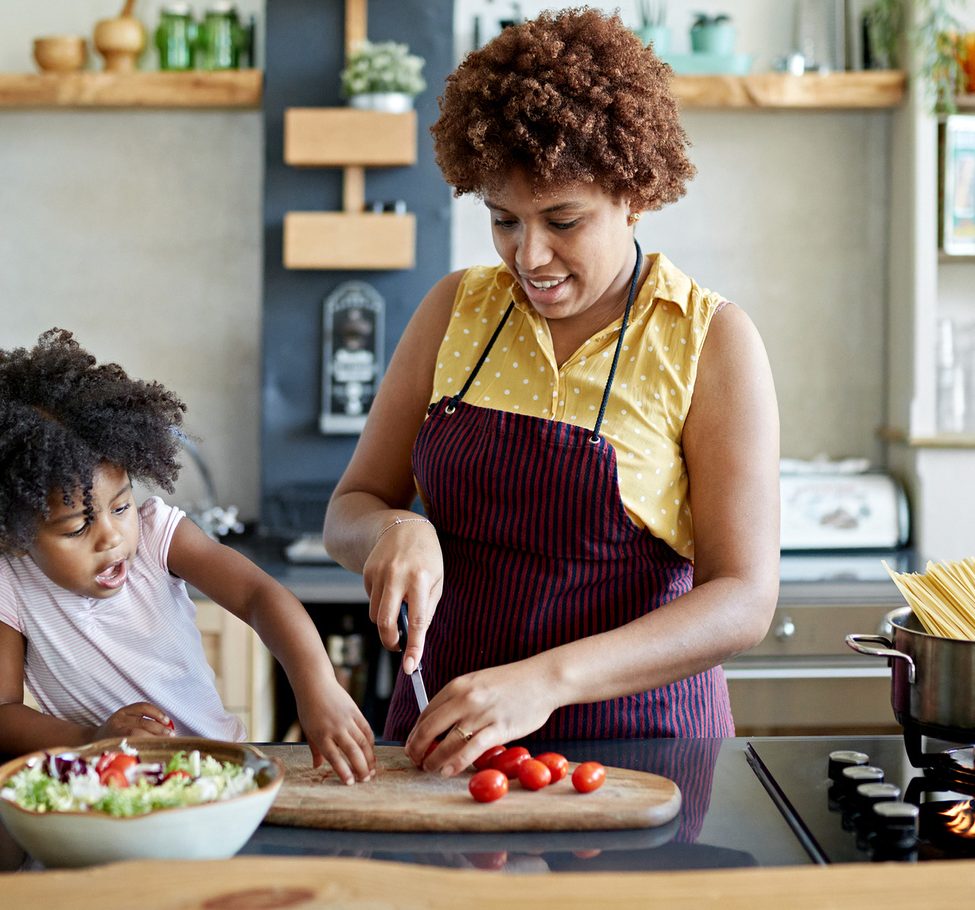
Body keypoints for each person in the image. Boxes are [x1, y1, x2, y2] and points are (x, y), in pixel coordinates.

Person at [323, 9, 779, 775]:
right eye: (504, 220)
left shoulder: (706, 339)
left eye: (562, 221)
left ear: (635, 193)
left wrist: (545, 682)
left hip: (641, 756)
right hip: (447, 743)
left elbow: (743, 598)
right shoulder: (455, 310)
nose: (529, 256)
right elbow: (350, 508)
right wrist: (394, 528)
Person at [0, 329, 376, 783]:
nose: (112, 537)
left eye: (121, 506)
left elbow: (259, 595)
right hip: (99, 788)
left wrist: (316, 686)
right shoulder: (8, 581)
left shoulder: (156, 537)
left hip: (214, 775)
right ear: (14, 534)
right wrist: (94, 738)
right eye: (76, 527)